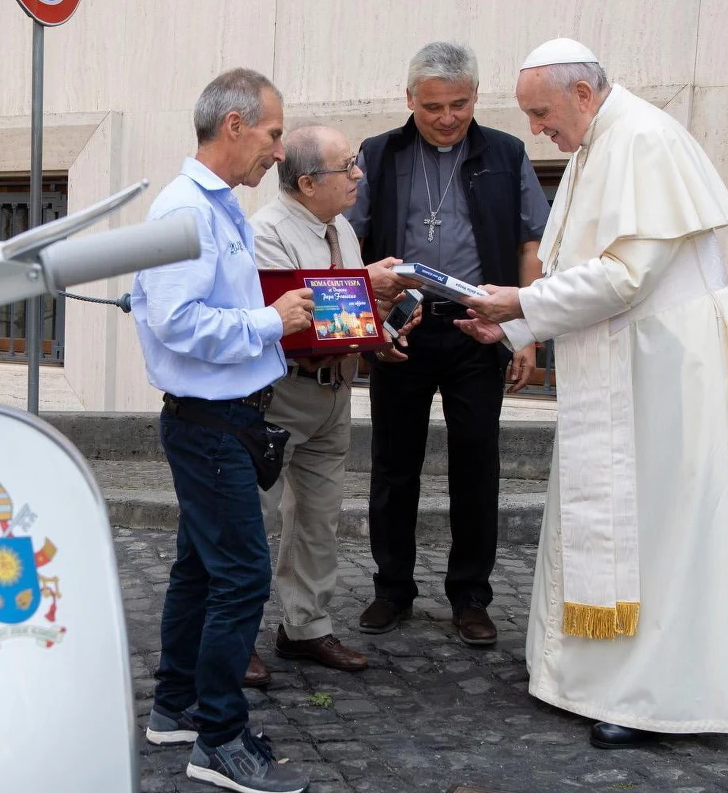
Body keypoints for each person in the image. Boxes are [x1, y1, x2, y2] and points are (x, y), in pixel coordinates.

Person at [456, 38, 728, 748]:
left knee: (660, 533)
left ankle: (655, 696)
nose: (537, 129)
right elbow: (584, 274)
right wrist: (512, 324)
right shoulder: (600, 142)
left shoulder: (645, 140)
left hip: (668, 372)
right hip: (630, 360)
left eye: (541, 113)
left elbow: (625, 277)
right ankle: (596, 679)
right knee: (626, 523)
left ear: (583, 93)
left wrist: (519, 306)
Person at [131, 68, 313, 793]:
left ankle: (176, 706)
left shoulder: (216, 206)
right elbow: (177, 322)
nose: (278, 152)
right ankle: (219, 739)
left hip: (220, 421)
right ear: (233, 125)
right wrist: (273, 321)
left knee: (203, 570)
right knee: (241, 575)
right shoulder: (187, 210)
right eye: (272, 135)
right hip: (210, 426)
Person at [345, 42, 550, 645]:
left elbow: (529, 245)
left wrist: (524, 332)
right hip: (402, 329)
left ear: (476, 97)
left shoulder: (506, 153)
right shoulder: (378, 155)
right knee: (393, 462)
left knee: (477, 462)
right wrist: (369, 326)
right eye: (433, 105)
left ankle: (470, 596)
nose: (446, 118)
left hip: (478, 328)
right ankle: (392, 589)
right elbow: (346, 243)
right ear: (410, 99)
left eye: (458, 104)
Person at [247, 124, 420, 681]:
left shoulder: (340, 226)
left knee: (319, 518)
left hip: (334, 389)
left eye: (355, 163)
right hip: (279, 393)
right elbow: (297, 316)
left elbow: (342, 318)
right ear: (305, 181)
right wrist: (364, 288)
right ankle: (233, 635)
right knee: (255, 517)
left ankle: (306, 627)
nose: (357, 175)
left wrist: (381, 334)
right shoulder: (265, 232)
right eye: (345, 167)